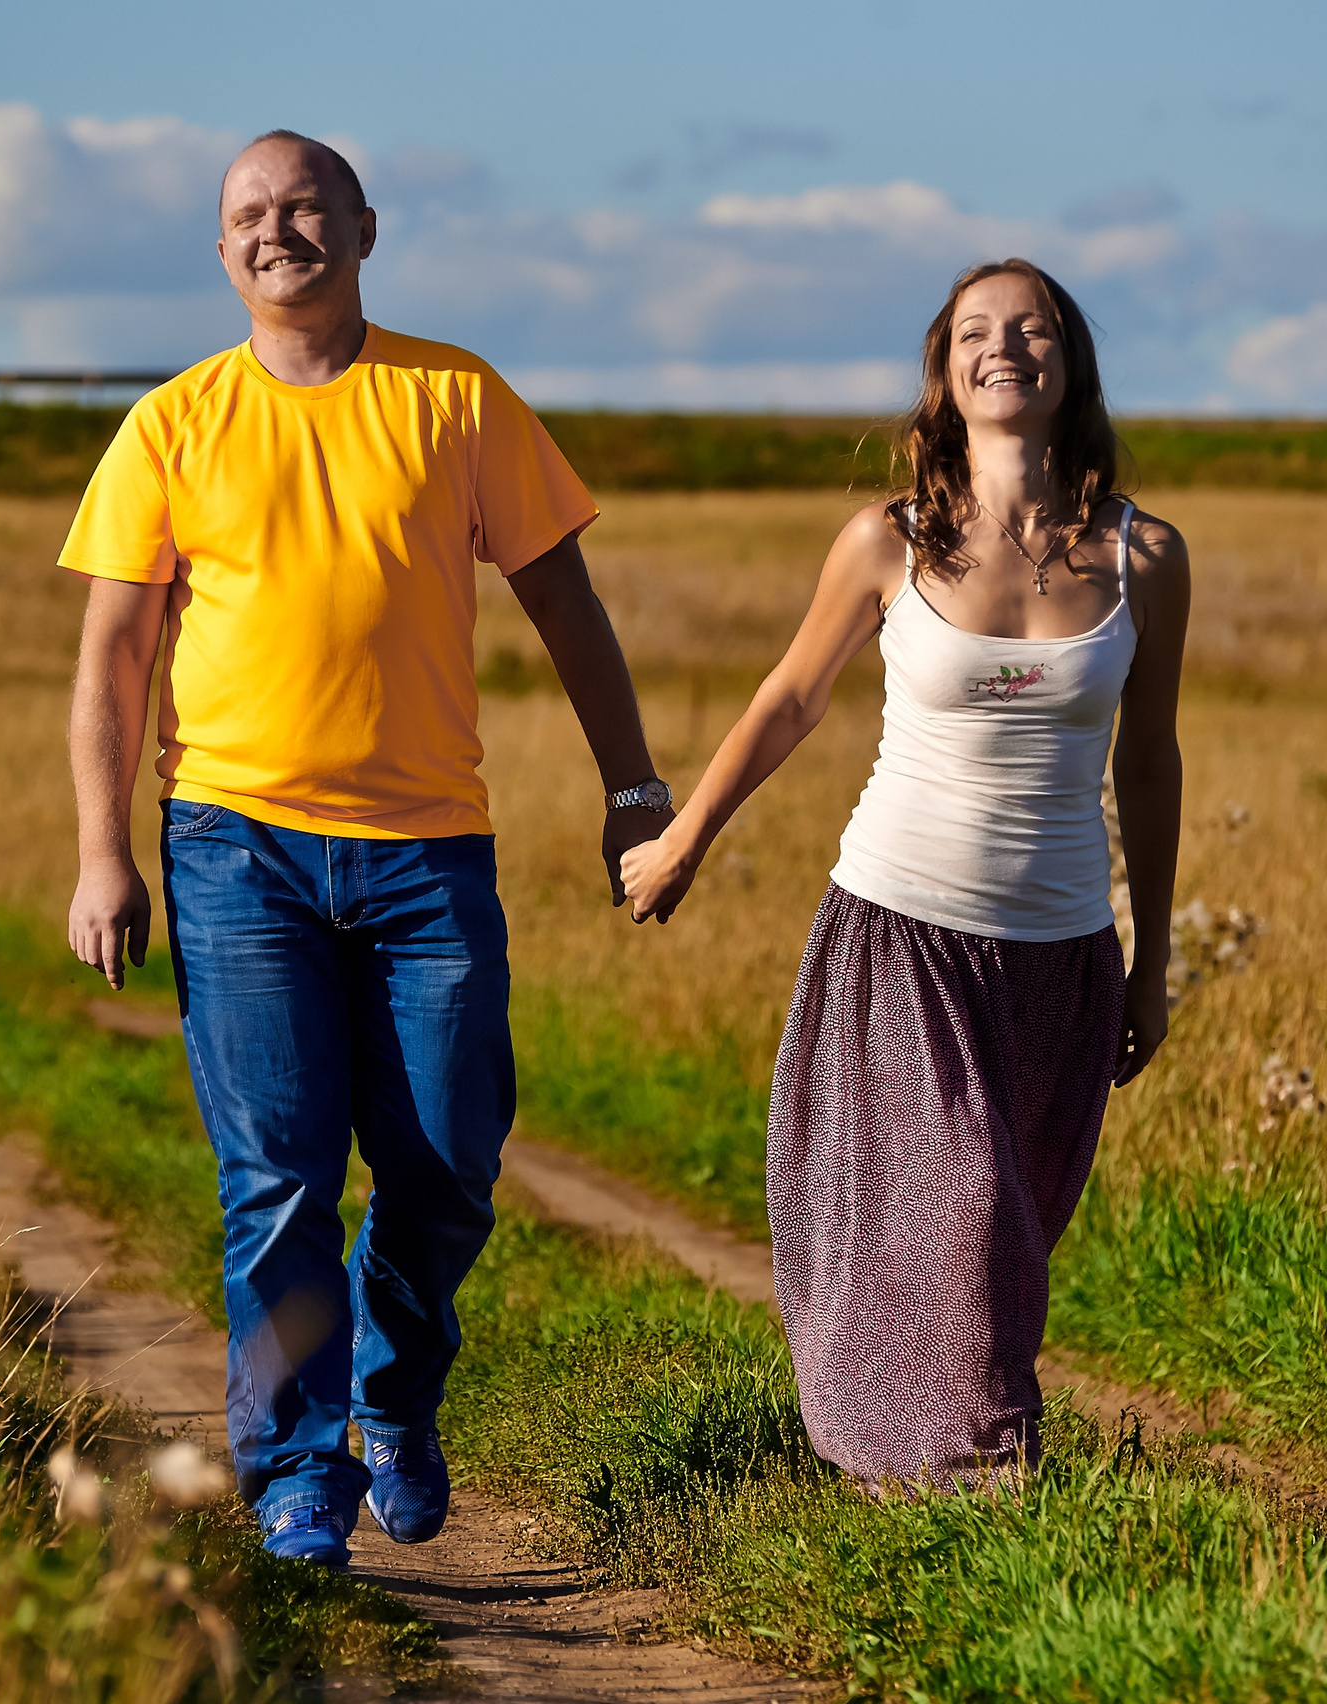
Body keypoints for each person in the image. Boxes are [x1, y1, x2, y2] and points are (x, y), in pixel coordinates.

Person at [61, 130, 673, 1566]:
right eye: (251, 217)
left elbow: (567, 604)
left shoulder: (453, 397)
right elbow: (111, 660)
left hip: (425, 855)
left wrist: (634, 789)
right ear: (223, 253)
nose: (282, 233)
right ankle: (295, 1469)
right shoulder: (171, 423)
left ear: (365, 228)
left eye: (308, 209)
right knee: (277, 1175)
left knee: (450, 1160)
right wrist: (104, 853)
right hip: (234, 849)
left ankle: (393, 1402)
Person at [619, 259, 1189, 1490]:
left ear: (1069, 362)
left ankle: (909, 1477)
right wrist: (683, 841)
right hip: (902, 933)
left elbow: (1151, 763)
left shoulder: (1144, 556)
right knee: (966, 1217)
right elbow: (788, 700)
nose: (1004, 349)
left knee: (1005, 1241)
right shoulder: (888, 541)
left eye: (1032, 330)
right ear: (943, 368)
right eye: (976, 332)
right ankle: (988, 1489)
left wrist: (1151, 964)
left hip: (1062, 954)